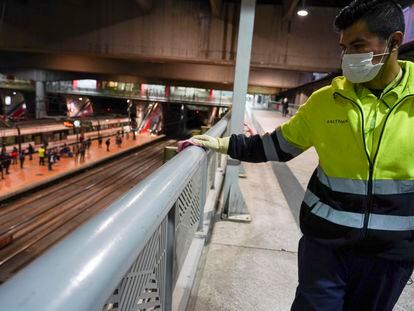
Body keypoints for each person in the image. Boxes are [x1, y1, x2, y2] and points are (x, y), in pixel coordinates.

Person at [190, 1, 413, 310]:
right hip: (325, 244)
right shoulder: (325, 102)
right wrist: (222, 145)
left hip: (391, 255)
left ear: (394, 42)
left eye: (358, 45)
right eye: (345, 47)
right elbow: (276, 147)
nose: (348, 56)